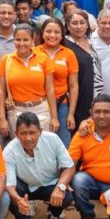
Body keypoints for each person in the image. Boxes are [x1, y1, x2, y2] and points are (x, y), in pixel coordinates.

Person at [4, 112, 76, 219]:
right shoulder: (9, 150)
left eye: (32, 133)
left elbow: (69, 167)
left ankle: (54, 213)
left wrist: (60, 187)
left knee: (67, 195)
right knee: (9, 196)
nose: (28, 138)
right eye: (23, 133)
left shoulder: (52, 139)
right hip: (25, 186)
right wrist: (18, 200)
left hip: (50, 184)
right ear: (16, 134)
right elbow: (9, 185)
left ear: (40, 131)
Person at [0, 24, 59, 142]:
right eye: (18, 39)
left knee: (43, 145)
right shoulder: (6, 60)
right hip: (16, 111)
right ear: (13, 40)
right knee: (19, 147)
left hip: (41, 110)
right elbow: (1, 90)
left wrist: (54, 117)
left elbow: (50, 89)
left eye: (25, 40)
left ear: (32, 39)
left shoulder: (43, 58)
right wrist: (2, 118)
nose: (21, 43)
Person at [36, 18, 79, 146]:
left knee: (63, 144)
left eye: (57, 32)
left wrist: (71, 114)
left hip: (61, 104)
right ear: (42, 33)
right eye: (48, 31)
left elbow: (73, 85)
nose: (52, 35)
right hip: (40, 105)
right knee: (40, 143)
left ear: (62, 34)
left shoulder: (69, 54)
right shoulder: (34, 52)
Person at [62, 10, 98, 128]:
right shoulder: (65, 44)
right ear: (68, 26)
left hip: (96, 94)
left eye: (82, 22)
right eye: (74, 23)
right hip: (77, 97)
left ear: (87, 24)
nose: (79, 26)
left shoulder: (92, 41)